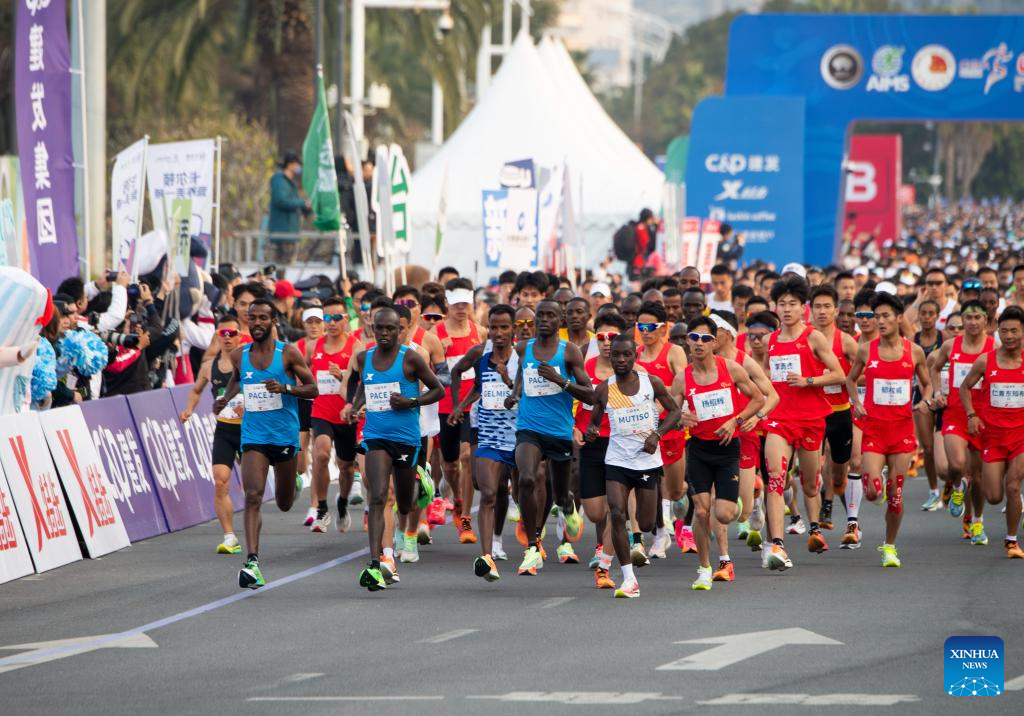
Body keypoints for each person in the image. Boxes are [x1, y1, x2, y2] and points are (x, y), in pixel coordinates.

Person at [213, 298, 319, 589]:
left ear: (273, 322)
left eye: (263, 318)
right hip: (254, 436)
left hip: (284, 436)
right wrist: (224, 398)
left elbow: (313, 389)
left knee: (284, 504)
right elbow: (237, 380)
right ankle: (252, 562)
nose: (257, 322)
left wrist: (285, 388)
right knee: (252, 496)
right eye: (252, 318)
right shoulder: (239, 355)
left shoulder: (288, 353)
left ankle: (293, 482)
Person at [345, 307, 445, 591]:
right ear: (373, 329)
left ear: (400, 330)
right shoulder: (364, 358)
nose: (385, 333)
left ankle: (421, 482)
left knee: (405, 502)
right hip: (376, 436)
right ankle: (377, 562)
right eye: (380, 328)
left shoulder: (410, 358)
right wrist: (355, 405)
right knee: (378, 496)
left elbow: (438, 389)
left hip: (406, 439)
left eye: (391, 328)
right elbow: (363, 385)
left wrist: (411, 402)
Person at [585, 333, 680, 598]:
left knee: (646, 523)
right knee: (617, 513)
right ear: (610, 356)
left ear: (634, 356)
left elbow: (674, 411)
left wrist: (657, 435)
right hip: (617, 460)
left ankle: (656, 533)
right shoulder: (605, 388)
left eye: (626, 354)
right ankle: (629, 578)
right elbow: (594, 422)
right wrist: (591, 430)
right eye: (616, 354)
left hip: (647, 462)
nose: (621, 359)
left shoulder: (651, 383)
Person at [762, 275, 846, 570]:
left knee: (810, 485)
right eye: (782, 304)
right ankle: (777, 545)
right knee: (775, 478)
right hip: (779, 420)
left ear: (803, 308)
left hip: (811, 419)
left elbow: (839, 374)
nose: (786, 309)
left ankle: (814, 524)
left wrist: (808, 381)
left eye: (792, 304)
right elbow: (764, 376)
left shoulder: (813, 337)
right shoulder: (770, 340)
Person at [505, 299, 593, 576]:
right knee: (526, 479)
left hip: (559, 431)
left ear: (560, 320)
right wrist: (514, 394)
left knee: (560, 494)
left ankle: (568, 506)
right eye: (540, 315)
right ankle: (533, 547)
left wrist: (560, 380)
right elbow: (522, 375)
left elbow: (590, 394)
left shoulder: (570, 352)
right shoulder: (523, 348)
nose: (543, 320)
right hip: (529, 428)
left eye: (550, 315)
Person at [677, 315, 765, 590]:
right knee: (702, 512)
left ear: (714, 342)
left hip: (728, 450)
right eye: (694, 338)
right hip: (699, 450)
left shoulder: (731, 369)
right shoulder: (683, 377)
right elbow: (670, 412)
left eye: (705, 338)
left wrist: (735, 421)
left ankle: (737, 498)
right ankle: (704, 568)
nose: (699, 343)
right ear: (687, 341)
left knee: (725, 514)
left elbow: (758, 399)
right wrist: (681, 416)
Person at [846, 292, 932, 568]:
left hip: (902, 432)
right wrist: (857, 403)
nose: (880, 321)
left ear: (899, 318)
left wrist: (925, 401)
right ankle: (878, 483)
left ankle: (890, 546)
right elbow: (850, 380)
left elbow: (927, 384)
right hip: (874, 430)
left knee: (896, 496)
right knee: (872, 493)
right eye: (876, 316)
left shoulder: (913, 351)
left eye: (885, 316)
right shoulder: (866, 350)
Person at [449, 304, 519, 581]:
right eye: (494, 327)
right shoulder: (480, 355)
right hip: (489, 434)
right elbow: (468, 379)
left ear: (513, 329)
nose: (498, 332)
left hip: (520, 436)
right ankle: (488, 557)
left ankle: (527, 539)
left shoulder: (523, 357)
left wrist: (508, 380)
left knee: (520, 491)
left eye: (504, 327)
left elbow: (528, 394)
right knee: (488, 491)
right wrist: (459, 405)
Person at [959, 305, 1024, 559]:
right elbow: (965, 387)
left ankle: (1011, 541)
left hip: (1020, 435)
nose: (1009, 336)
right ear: (997, 331)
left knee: (1013, 486)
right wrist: (971, 415)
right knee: (994, 496)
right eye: (1004, 331)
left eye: (1014, 331)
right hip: (993, 436)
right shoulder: (986, 360)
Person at [929, 300, 994, 544]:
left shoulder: (993, 346)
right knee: (955, 465)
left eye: (977, 317)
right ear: (963, 320)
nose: (973, 322)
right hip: (955, 414)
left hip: (983, 417)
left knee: (977, 477)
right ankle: (957, 487)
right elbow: (935, 368)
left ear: (985, 320)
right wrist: (938, 392)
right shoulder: (951, 345)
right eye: (968, 318)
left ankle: (977, 522)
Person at [179, 314, 245, 554]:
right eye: (222, 333)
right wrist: (189, 409)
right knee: (220, 481)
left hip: (250, 430)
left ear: (240, 336)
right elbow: (196, 390)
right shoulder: (209, 366)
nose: (227, 338)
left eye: (232, 333)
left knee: (252, 486)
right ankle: (230, 537)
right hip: (225, 430)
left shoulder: (249, 363)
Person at [575, 312, 629, 589]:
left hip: (620, 443)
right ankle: (612, 539)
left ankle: (604, 562)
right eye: (601, 337)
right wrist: (574, 428)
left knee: (614, 506)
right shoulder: (585, 366)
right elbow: (574, 401)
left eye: (612, 337)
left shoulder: (632, 371)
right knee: (595, 512)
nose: (607, 342)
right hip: (592, 442)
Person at [634, 301, 688, 559]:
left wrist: (663, 398)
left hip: (671, 427)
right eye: (641, 327)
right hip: (644, 431)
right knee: (651, 484)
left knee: (675, 490)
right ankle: (660, 532)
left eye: (651, 327)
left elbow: (684, 384)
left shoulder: (673, 352)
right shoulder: (634, 355)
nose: (645, 332)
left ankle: (680, 500)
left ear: (663, 328)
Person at [435, 278, 487, 543]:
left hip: (473, 405)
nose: (461, 308)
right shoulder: (435, 334)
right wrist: (439, 356)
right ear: (447, 303)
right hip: (446, 405)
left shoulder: (481, 333)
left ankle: (466, 517)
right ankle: (456, 498)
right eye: (456, 304)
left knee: (467, 456)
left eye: (465, 303)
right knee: (449, 463)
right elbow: (429, 372)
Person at [307, 298, 363, 534]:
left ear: (346, 319)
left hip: (346, 415)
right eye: (327, 318)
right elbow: (302, 373)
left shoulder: (356, 347)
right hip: (321, 411)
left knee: (346, 467)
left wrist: (342, 377)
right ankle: (321, 508)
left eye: (336, 318)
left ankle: (342, 502)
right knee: (321, 454)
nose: (330, 323)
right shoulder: (314, 346)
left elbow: (360, 383)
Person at [809, 285, 858, 534]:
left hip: (840, 412)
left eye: (827, 306)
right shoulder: (804, 339)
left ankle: (834, 496)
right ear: (810, 310)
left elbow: (862, 374)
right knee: (816, 463)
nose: (822, 311)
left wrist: (853, 389)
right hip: (813, 412)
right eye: (817, 306)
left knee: (840, 473)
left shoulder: (846, 342)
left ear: (836, 311)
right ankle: (822, 510)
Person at [268, 152, 311, 263]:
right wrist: (302, 203)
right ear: (290, 164)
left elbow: (292, 201)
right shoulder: (279, 181)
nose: (299, 168)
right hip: (282, 231)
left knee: (287, 263)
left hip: (290, 231)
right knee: (281, 264)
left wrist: (306, 208)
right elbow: (281, 201)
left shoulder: (290, 183)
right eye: (297, 164)